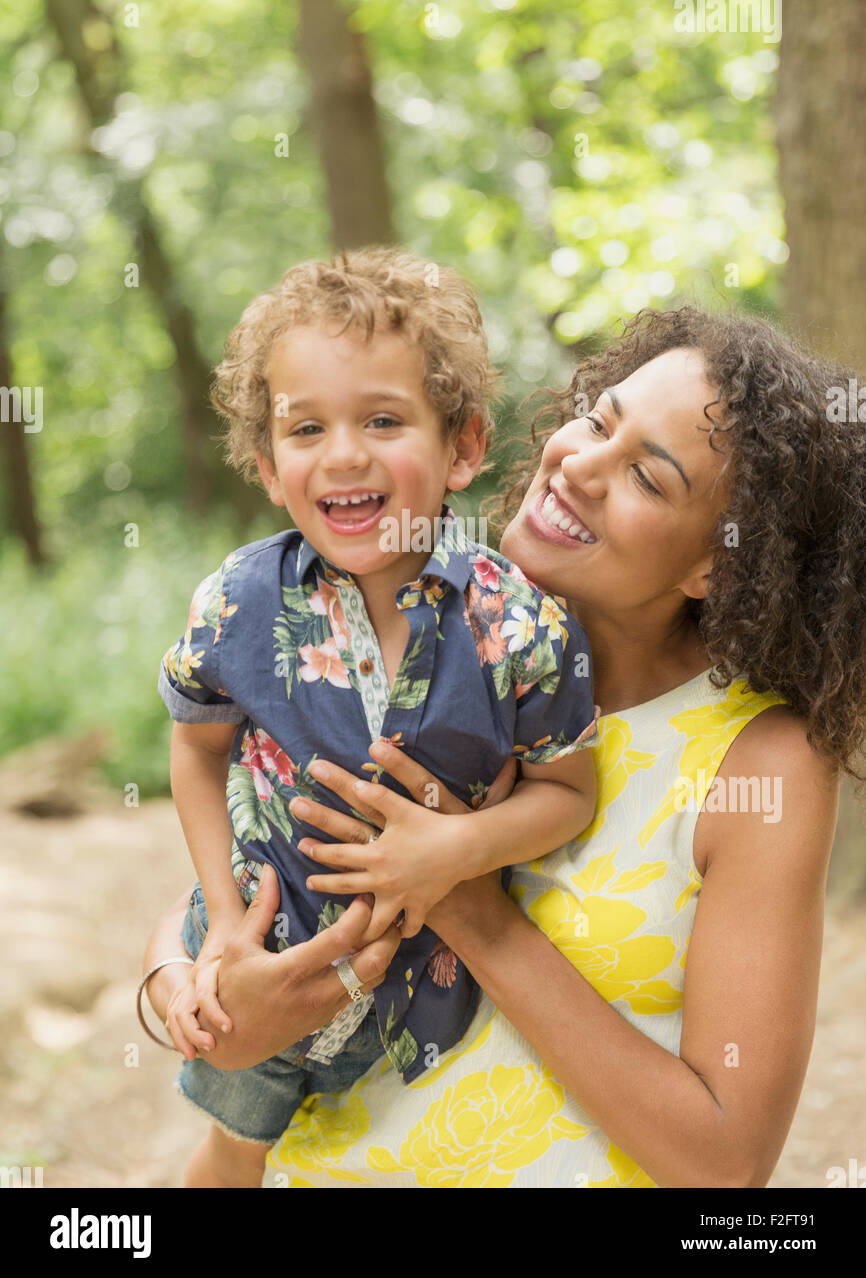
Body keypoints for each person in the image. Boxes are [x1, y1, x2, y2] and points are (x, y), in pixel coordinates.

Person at [144, 304, 866, 1188]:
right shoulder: (426, 612)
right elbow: (257, 882)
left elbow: (724, 1161)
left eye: (647, 476)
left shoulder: (760, 761)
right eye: (599, 419)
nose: (582, 465)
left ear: (716, 563)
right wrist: (184, 995)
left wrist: (469, 902)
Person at [155, 246, 599, 1187]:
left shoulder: (518, 623)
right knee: (232, 1155)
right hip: (253, 963)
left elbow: (567, 789)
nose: (345, 452)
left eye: (384, 419)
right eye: (306, 427)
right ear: (269, 466)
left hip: (421, 1001)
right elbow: (195, 752)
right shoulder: (239, 600)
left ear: (465, 447)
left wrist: (457, 849)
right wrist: (226, 923)